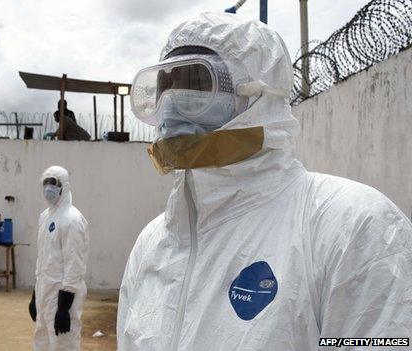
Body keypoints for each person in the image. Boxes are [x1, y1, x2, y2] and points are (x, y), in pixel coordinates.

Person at [117, 12, 412, 350]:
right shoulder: (153, 243)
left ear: (259, 96)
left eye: (197, 83)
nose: (171, 103)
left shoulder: (352, 228)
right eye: (163, 86)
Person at [29, 166, 90, 351]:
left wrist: (64, 307)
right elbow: (43, 259)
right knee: (42, 343)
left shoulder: (72, 219)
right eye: (46, 182)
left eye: (53, 182)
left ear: (64, 186)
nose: (49, 187)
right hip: (44, 293)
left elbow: (74, 263)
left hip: (62, 296)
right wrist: (35, 295)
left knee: (64, 345)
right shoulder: (45, 217)